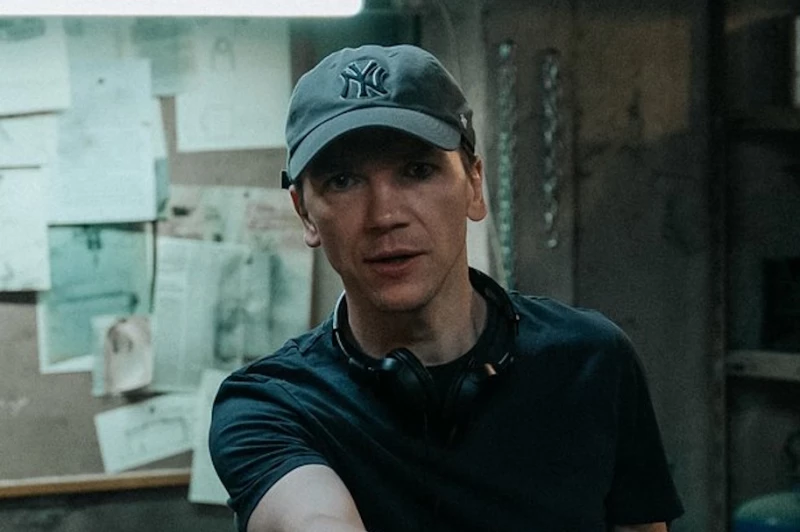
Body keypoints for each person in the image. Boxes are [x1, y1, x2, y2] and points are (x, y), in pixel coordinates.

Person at [209, 43, 684, 532]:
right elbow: (314, 519)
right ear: (305, 212)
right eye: (344, 180)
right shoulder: (273, 403)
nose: (385, 215)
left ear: (474, 185)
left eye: (418, 171)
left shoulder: (592, 361)